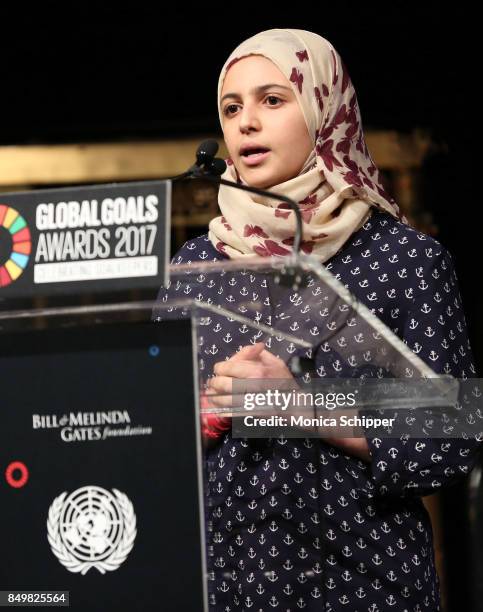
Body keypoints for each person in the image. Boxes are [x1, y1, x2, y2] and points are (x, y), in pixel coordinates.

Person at [153, 28, 481, 611]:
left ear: (325, 111)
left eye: (272, 101)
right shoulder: (197, 266)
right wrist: (208, 410)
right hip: (227, 586)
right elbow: (151, 434)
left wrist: (299, 404)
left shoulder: (404, 259)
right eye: (232, 108)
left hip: (364, 585)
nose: (246, 123)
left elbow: (451, 436)